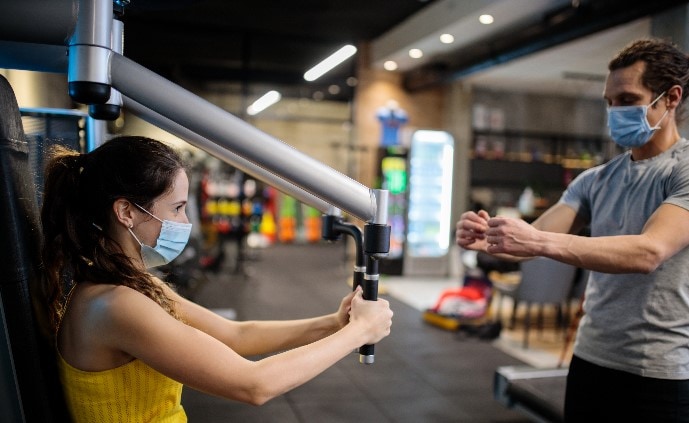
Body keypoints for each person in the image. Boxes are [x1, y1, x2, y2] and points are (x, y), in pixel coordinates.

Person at [40, 136, 393, 422]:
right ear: (127, 212)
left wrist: (334, 323)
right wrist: (358, 333)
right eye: (176, 208)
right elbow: (255, 385)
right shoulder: (116, 305)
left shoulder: (130, 286)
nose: (185, 220)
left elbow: (236, 335)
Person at [456, 38, 689, 422]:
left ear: (671, 98)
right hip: (591, 359)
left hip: (657, 371)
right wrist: (492, 237)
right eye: (609, 101)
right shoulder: (595, 180)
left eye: (628, 99)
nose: (615, 111)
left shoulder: (681, 170)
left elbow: (649, 252)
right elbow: (532, 241)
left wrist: (537, 239)